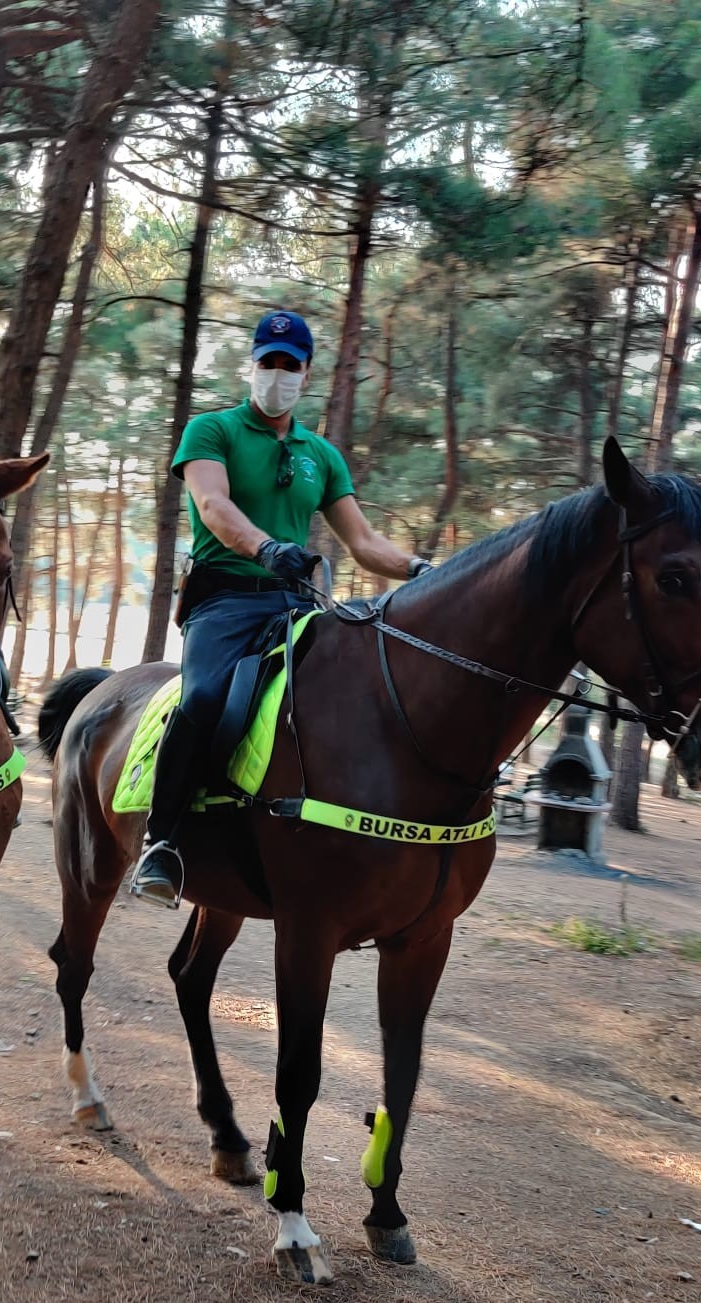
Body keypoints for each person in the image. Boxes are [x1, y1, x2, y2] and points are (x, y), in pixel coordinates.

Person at [131, 309, 431, 906]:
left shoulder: (321, 454)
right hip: (223, 601)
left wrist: (422, 571)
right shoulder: (211, 431)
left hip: (296, 606)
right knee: (205, 698)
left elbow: (365, 543)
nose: (277, 374)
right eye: (267, 363)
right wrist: (267, 548)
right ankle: (160, 842)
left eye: (288, 365)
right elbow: (213, 505)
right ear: (252, 365)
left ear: (305, 372)